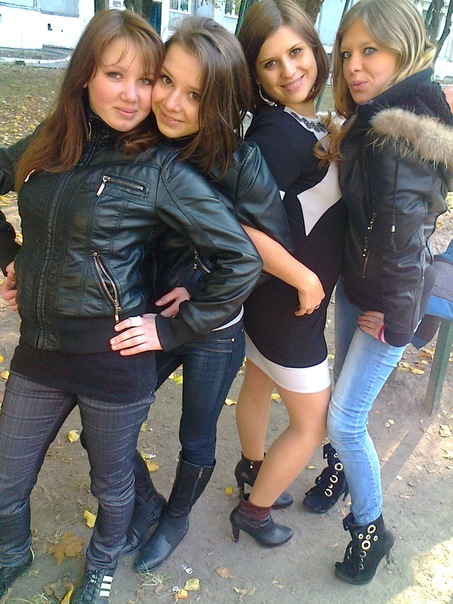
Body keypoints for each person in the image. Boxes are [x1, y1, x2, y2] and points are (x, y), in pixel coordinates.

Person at [0, 10, 263, 602]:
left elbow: (241, 259)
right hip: (39, 349)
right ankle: (12, 553)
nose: (134, 95)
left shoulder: (158, 165)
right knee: (6, 479)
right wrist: (11, 256)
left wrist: (172, 331)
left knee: (112, 484)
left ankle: (101, 566)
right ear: (85, 76)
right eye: (116, 75)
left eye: (145, 79)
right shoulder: (49, 142)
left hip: (112, 356)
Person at [108, 16, 329, 573]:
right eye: (167, 81)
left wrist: (199, 284)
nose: (173, 103)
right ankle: (147, 502)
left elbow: (265, 253)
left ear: (222, 99)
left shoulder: (241, 160)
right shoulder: (135, 137)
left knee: (197, 437)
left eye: (196, 94)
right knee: (105, 425)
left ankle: (176, 519)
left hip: (214, 323)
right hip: (147, 316)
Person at [319, 0, 453, 585]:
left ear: (404, 51)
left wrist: (399, 325)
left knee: (346, 420)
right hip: (361, 288)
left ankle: (371, 531)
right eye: (347, 52)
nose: (353, 65)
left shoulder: (398, 138)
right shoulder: (378, 120)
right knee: (341, 408)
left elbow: (403, 245)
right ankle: (338, 473)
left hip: (386, 304)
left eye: (370, 51)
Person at [228, 0, 347, 546]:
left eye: (296, 52)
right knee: (313, 424)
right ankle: (254, 512)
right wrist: (304, 278)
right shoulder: (274, 134)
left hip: (277, 301)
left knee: (257, 382)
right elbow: (240, 225)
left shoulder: (303, 121)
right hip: (289, 305)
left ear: (314, 49)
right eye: (270, 63)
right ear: (254, 74)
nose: (289, 70)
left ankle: (253, 469)